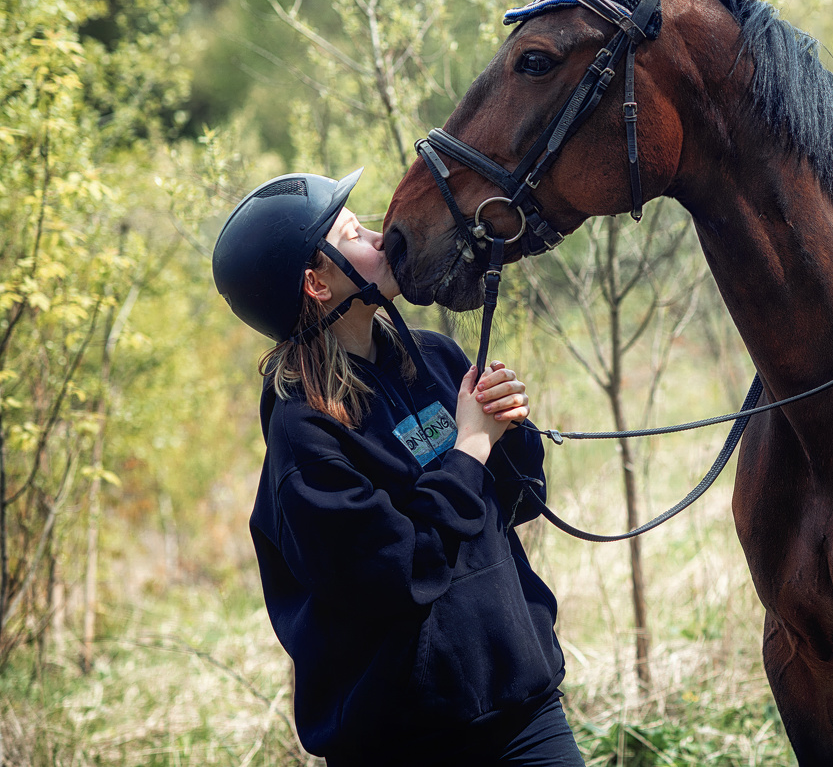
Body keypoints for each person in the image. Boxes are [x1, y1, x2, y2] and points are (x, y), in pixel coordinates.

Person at [212, 169, 583, 766]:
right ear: (316, 282)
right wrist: (469, 447)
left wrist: (508, 429)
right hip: (405, 742)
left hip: (524, 711)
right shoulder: (304, 434)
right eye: (353, 231)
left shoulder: (433, 356)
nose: (382, 237)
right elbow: (399, 568)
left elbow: (516, 504)